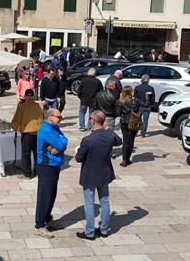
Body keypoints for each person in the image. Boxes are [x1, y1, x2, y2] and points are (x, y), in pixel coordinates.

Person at [75, 110, 122, 240]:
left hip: (90, 175)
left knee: (89, 203)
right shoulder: (109, 136)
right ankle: (104, 230)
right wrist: (109, 129)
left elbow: (79, 158)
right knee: (105, 201)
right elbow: (119, 141)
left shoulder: (87, 140)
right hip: (104, 173)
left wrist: (78, 151)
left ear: (93, 121)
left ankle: (89, 232)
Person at [34, 108, 68, 239]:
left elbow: (64, 140)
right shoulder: (47, 130)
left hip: (54, 165)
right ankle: (39, 225)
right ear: (50, 117)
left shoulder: (54, 127)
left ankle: (48, 219)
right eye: (59, 117)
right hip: (47, 166)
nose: (61, 119)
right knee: (45, 196)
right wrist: (61, 143)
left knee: (51, 195)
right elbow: (60, 145)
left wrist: (61, 142)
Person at [10, 89, 44, 179]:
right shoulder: (39, 106)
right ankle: (38, 172)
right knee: (37, 153)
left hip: (27, 133)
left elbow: (17, 119)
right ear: (33, 96)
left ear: (25, 96)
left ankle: (27, 173)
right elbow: (43, 118)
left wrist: (14, 127)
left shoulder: (22, 106)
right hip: (38, 132)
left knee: (26, 154)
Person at [117, 86, 140, 167]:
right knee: (131, 140)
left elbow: (117, 113)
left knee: (125, 140)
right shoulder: (136, 101)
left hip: (124, 121)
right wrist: (148, 96)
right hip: (133, 121)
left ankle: (124, 160)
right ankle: (128, 159)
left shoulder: (121, 101)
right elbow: (146, 104)